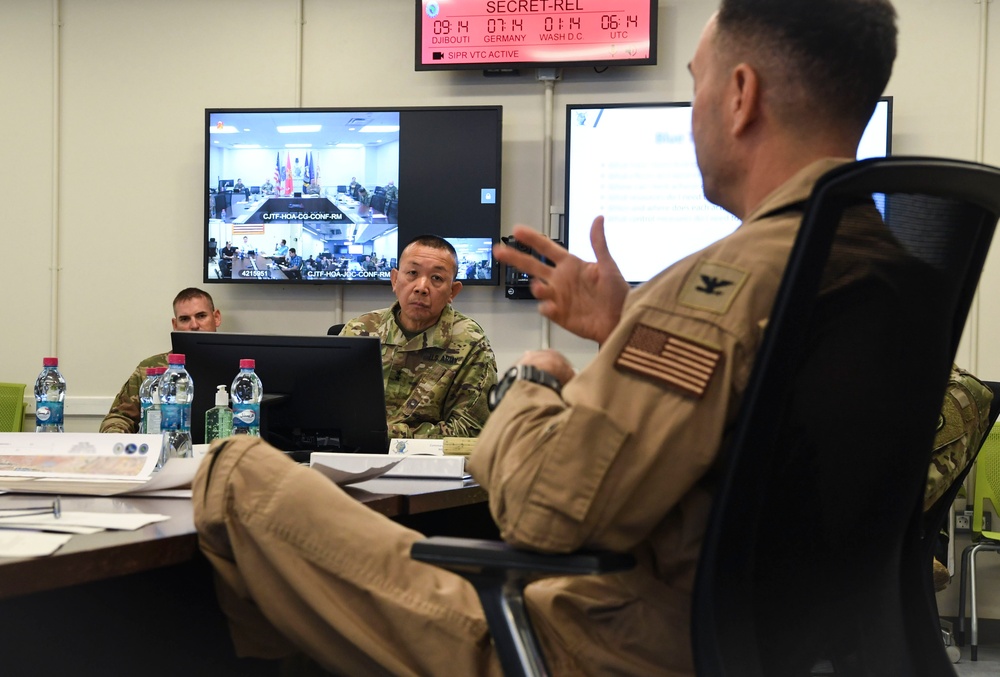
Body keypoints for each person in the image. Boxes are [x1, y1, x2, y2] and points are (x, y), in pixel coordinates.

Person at [192, 1, 898, 673]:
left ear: (742, 94)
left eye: (696, 84)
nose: (695, 113)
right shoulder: (875, 262)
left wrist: (530, 381)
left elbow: (542, 513)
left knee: (235, 470)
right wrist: (627, 327)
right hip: (751, 641)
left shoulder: (722, 287)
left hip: (583, 644)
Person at [335, 234, 497, 438]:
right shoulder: (360, 330)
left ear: (452, 292)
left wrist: (388, 436)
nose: (421, 287)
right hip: (354, 458)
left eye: (436, 278)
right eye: (412, 273)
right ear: (394, 280)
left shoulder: (469, 342)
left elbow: (470, 430)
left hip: (428, 464)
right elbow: (331, 407)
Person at [101, 288, 222, 434]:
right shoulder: (149, 369)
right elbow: (119, 417)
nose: (194, 325)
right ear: (175, 324)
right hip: (164, 449)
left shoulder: (238, 367)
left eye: (201, 316)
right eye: (184, 319)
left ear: (216, 318)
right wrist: (116, 440)